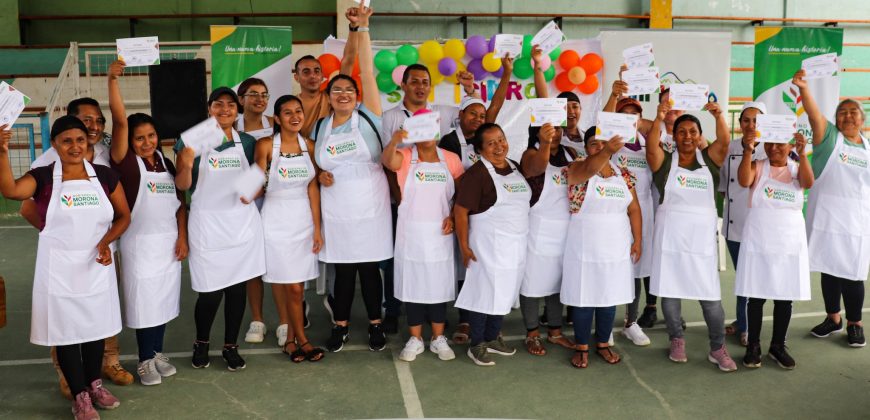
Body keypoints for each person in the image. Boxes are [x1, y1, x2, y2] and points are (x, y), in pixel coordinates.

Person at [0, 116, 131, 419]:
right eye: (67, 141)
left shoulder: (105, 176)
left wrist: (105, 242)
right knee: (68, 333)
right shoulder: (43, 176)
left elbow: (124, 216)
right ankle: (79, 395)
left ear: (88, 142)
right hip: (59, 269)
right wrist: (3, 153)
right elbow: (10, 191)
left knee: (96, 329)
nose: (75, 146)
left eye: (80, 140)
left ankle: (95, 384)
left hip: (96, 266)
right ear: (55, 144)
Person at [312, 4, 391, 353]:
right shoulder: (320, 125)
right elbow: (311, 162)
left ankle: (376, 324)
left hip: (370, 204)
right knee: (342, 270)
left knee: (369, 268)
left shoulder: (369, 115)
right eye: (336, 91)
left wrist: (362, 29)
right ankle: (340, 325)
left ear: (357, 97)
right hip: (336, 206)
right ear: (328, 98)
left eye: (349, 90)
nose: (343, 94)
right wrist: (320, 172)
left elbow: (367, 71)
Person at [377, 62, 478, 335]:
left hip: (437, 200)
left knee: (438, 267)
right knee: (398, 262)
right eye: (415, 81)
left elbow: (476, 117)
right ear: (404, 85)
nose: (420, 86)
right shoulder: (390, 117)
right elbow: (388, 162)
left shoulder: (444, 113)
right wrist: (400, 200)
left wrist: (469, 90)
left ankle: (440, 324)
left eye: (425, 82)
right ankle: (394, 311)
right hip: (405, 197)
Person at [174, 86, 266, 371]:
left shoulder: (248, 142)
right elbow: (182, 186)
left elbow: (257, 177)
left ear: (237, 109)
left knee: (237, 291)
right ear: (209, 108)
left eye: (230, 105)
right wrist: (186, 164)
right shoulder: (189, 141)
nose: (225, 110)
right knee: (210, 292)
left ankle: (230, 345)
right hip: (207, 225)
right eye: (218, 105)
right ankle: (201, 342)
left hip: (242, 225)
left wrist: (253, 190)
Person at [107, 60, 187, 385]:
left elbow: (180, 205)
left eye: (151, 135)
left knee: (164, 300)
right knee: (145, 302)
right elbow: (119, 121)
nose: (146, 142)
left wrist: (183, 238)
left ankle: (157, 352)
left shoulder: (165, 162)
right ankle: (143, 360)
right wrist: (113, 80)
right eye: (139, 138)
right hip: (139, 245)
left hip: (168, 243)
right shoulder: (126, 162)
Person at [647, 99, 738, 372]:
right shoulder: (664, 164)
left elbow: (724, 139)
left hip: (700, 243)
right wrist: (660, 115)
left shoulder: (709, 161)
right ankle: (676, 339)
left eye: (693, 132)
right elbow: (652, 146)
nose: (687, 136)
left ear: (699, 136)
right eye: (681, 132)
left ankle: (717, 347)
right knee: (671, 294)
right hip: (670, 240)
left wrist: (719, 114)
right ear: (673, 136)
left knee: (711, 299)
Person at [438, 57, 512, 344]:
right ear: (461, 116)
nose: (480, 118)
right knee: (463, 266)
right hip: (461, 208)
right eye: (473, 114)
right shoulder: (450, 140)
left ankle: (487, 317)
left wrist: (506, 72)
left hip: (487, 212)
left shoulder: (486, 139)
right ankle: (465, 320)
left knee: (483, 264)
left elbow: (498, 104)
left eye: (483, 115)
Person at [382, 110, 465, 362]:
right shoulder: (405, 157)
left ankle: (438, 337)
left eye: (430, 127)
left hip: (440, 234)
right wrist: (396, 140)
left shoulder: (450, 159)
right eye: (420, 127)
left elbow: (460, 195)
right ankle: (415, 338)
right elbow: (388, 162)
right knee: (414, 285)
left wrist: (452, 215)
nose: (426, 134)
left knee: (438, 285)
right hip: (412, 235)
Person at [795, 69, 870, 347]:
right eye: (842, 112)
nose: (848, 116)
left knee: (852, 272)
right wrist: (804, 89)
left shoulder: (868, 148)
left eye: (853, 112)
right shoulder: (828, 139)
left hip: (857, 223)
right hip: (827, 218)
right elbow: (815, 116)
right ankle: (833, 318)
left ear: (863, 119)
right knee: (829, 268)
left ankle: (854, 323)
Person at [562, 127, 641, 368]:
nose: (599, 147)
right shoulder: (577, 168)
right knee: (584, 295)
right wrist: (605, 151)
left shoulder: (623, 174)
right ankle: (582, 346)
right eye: (594, 144)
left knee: (610, 295)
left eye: (604, 143)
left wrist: (638, 239)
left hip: (616, 243)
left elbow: (634, 208)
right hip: (585, 243)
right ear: (585, 148)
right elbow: (589, 168)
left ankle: (604, 344)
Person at [254, 94, 325, 362]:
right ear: (277, 118)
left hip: (303, 223)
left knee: (296, 286)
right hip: (275, 221)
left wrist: (317, 228)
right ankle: (302, 341)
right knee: (291, 287)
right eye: (288, 112)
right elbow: (256, 181)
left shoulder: (310, 145)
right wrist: (247, 188)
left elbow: (313, 188)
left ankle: (292, 341)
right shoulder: (265, 146)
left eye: (299, 111)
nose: (295, 116)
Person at [454, 122, 530, 366]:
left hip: (515, 245)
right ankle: (477, 344)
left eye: (501, 139)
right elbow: (460, 211)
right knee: (483, 294)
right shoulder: (476, 175)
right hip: (487, 246)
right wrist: (464, 247)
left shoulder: (515, 167)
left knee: (505, 292)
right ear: (479, 150)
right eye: (491, 143)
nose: (499, 146)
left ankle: (492, 337)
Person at [736, 131, 814, 369]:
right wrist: (748, 149)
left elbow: (808, 183)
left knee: (784, 297)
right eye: (769, 143)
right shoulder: (757, 166)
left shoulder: (797, 168)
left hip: (788, 242)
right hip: (760, 240)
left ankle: (778, 346)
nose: (773, 148)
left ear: (789, 144)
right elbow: (743, 181)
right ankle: (754, 346)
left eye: (779, 143)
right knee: (756, 296)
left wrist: (802, 153)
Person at [517, 47, 576, 356]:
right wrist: (544, 141)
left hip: (564, 230)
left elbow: (549, 106)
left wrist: (540, 69)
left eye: (555, 128)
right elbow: (539, 167)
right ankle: (531, 333)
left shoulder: (570, 154)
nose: (554, 132)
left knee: (555, 284)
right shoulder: (531, 155)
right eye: (546, 128)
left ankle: (554, 331)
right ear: (537, 132)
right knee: (532, 284)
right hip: (538, 231)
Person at [603, 79, 655, 346]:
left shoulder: (648, 141)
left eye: (633, 115)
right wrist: (614, 95)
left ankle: (631, 322)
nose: (628, 119)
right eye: (623, 115)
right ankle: (606, 324)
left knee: (636, 266)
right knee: (613, 265)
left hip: (642, 208)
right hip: (614, 209)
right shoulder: (608, 143)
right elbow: (605, 119)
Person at [720, 102, 768, 347]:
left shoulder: (772, 149)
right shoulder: (730, 148)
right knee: (743, 277)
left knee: (752, 278)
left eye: (756, 120)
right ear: (739, 124)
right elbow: (724, 187)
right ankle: (743, 322)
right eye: (746, 120)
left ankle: (747, 326)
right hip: (734, 225)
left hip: (759, 226)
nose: (751, 125)